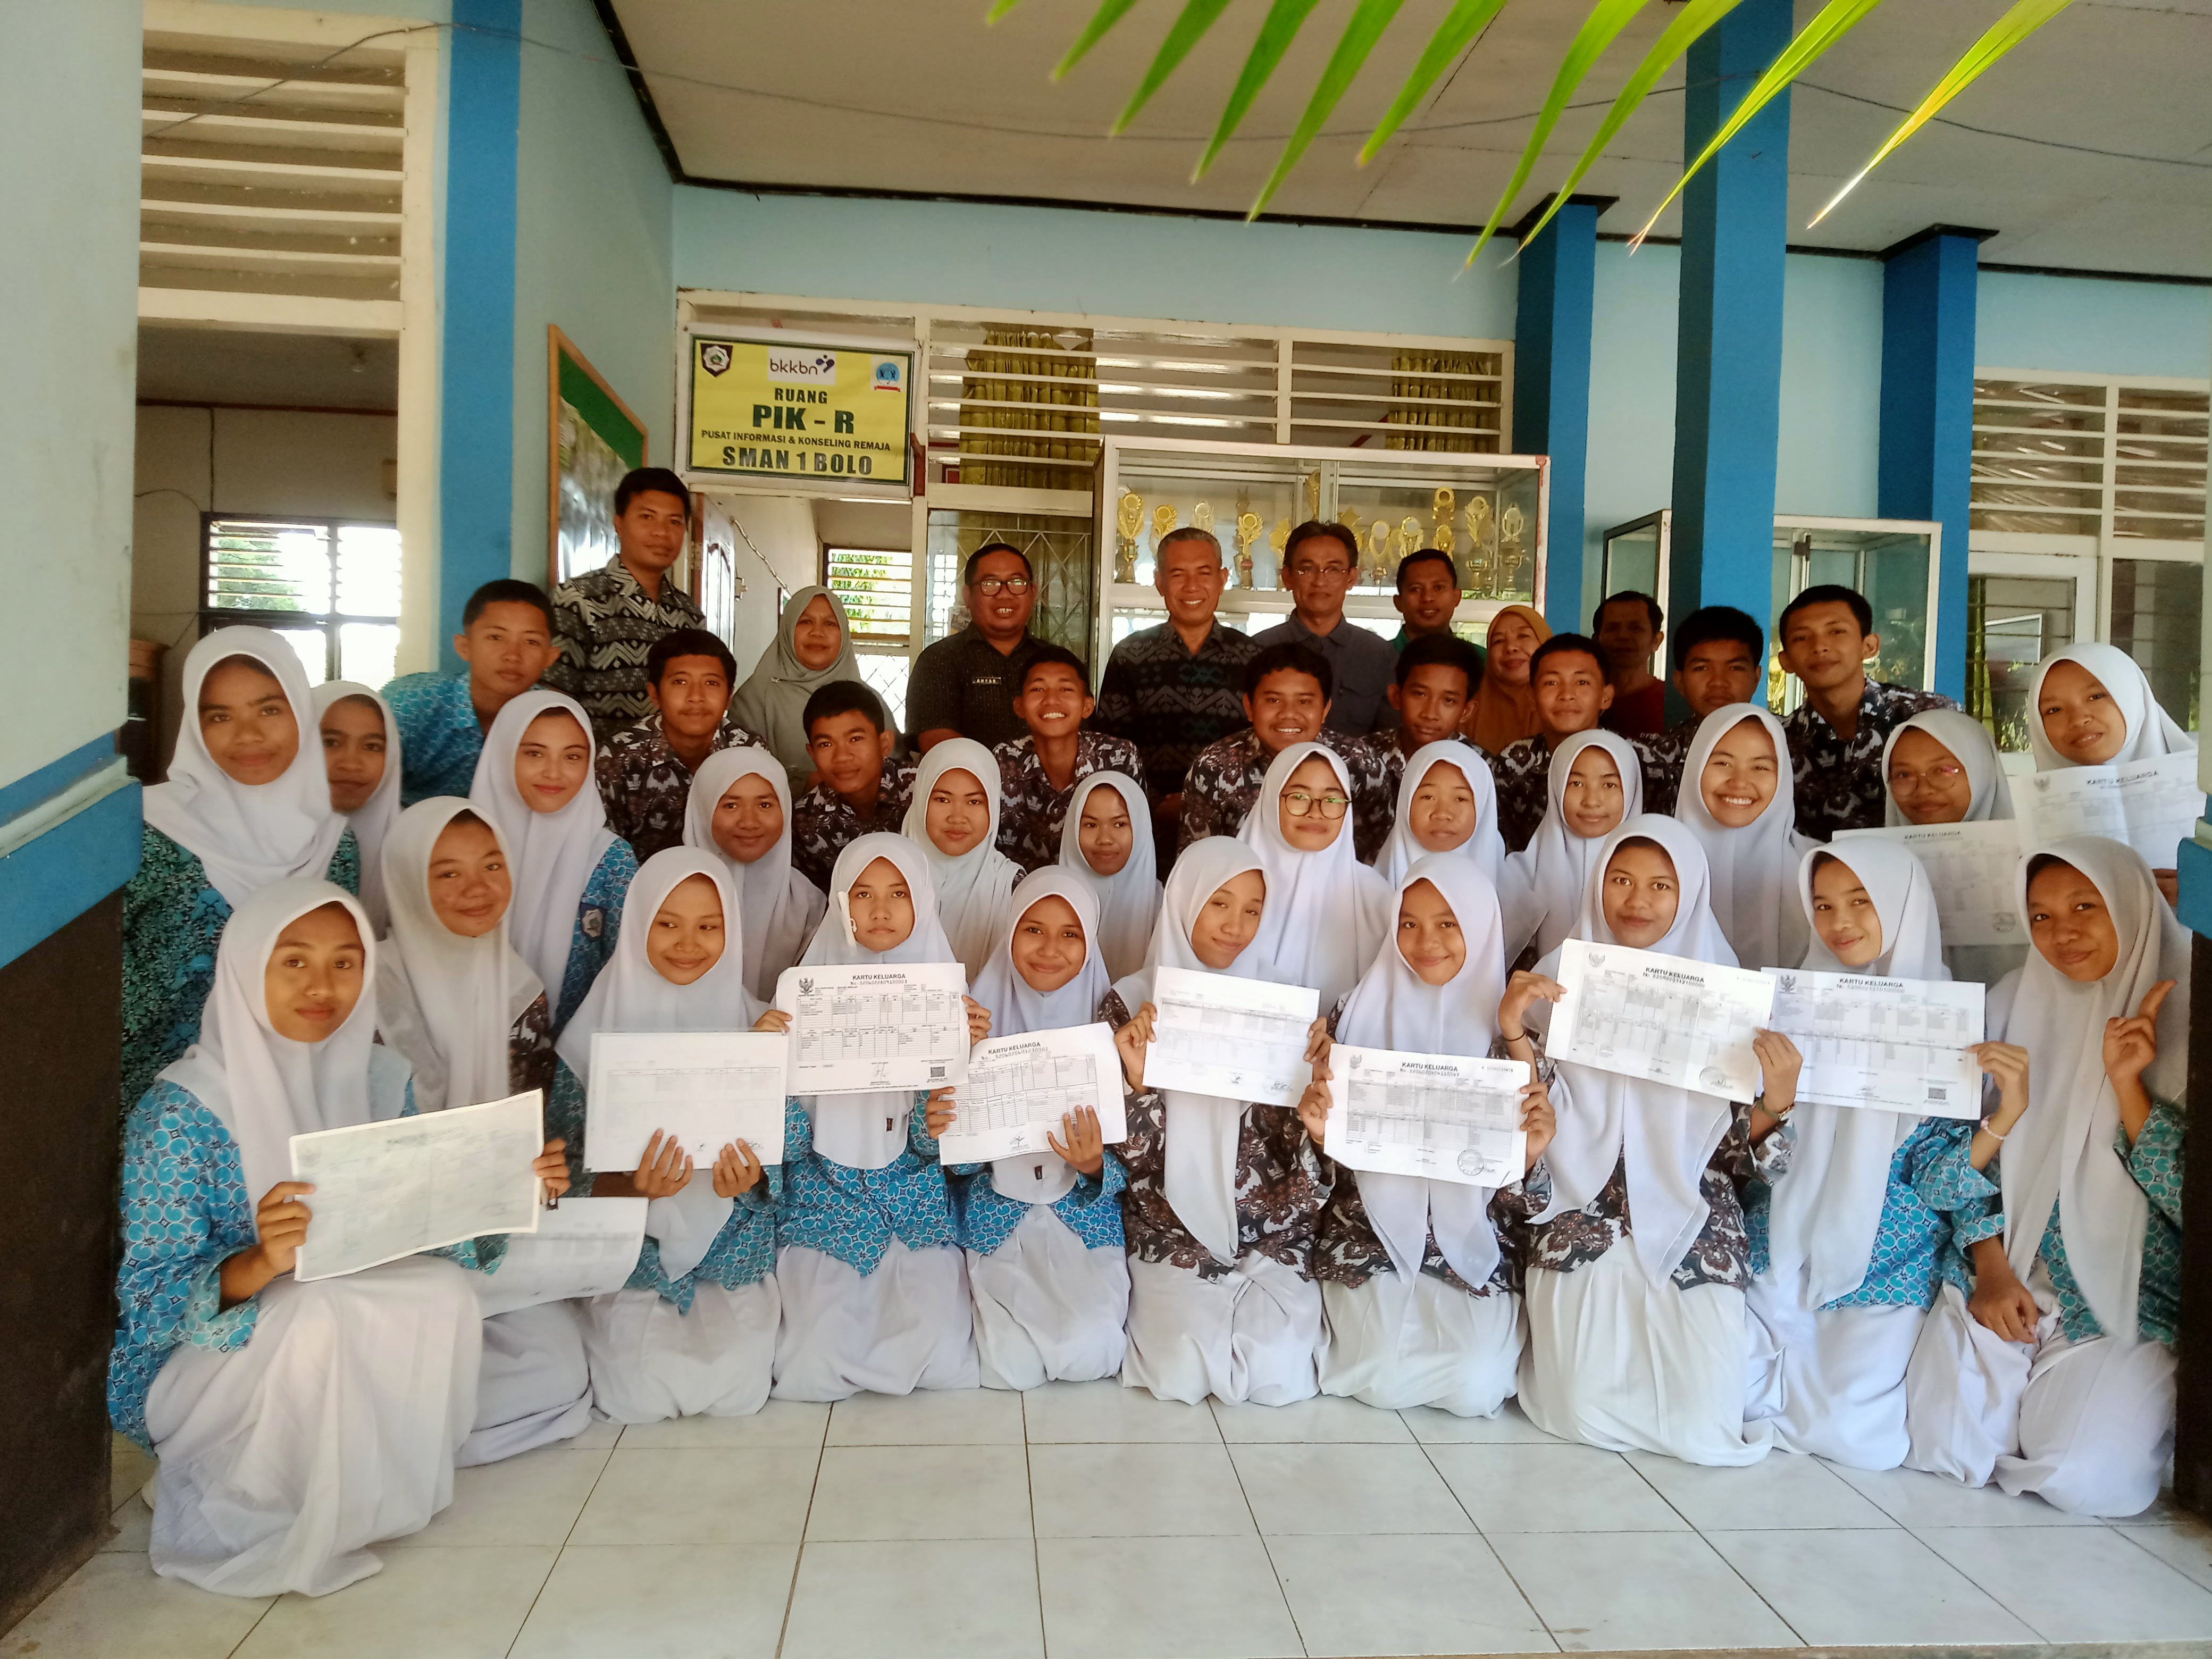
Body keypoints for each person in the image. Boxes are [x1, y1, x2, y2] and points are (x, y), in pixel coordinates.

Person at [110, 880, 565, 1596]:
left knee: (444, 1291)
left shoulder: (379, 1080)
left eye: (345, 963)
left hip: (325, 1306)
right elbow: (148, 1302)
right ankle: (258, 1492)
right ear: (246, 968)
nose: (322, 986)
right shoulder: (181, 1113)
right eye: (294, 962)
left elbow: (423, 1218)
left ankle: (371, 1499)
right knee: (315, 1310)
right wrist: (261, 1261)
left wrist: (510, 1184)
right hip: (199, 1363)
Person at [1904, 837, 2186, 1516]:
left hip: (2125, 1303)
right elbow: (1950, 1164)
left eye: (2085, 907)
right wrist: (1990, 1267)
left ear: (2130, 905)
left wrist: (2128, 1088)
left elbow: (2191, 1205)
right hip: (2009, 1274)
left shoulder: (2194, 1020)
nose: (2062, 933)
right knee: (1942, 1448)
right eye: (2040, 916)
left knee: (2079, 1478)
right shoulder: (2011, 1004)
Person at [1506, 818, 1798, 1464]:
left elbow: (1741, 1161)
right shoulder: (1555, 981)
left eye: (1660, 885)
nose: (1636, 900)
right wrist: (1513, 1032)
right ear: (1597, 884)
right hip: (1579, 1204)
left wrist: (1775, 1101)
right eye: (1620, 880)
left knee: (1702, 1420)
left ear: (1688, 893)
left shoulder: (1727, 992)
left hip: (1693, 1206)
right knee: (1575, 1406)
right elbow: (1525, 1119)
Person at [1742, 842, 2009, 1471]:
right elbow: (1755, 1168)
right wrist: (1777, 1102)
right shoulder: (1788, 1009)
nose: (1839, 923)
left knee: (1854, 1435)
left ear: (1903, 906)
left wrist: (2002, 1117)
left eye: (1861, 902)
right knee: (1718, 1394)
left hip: (1890, 1257)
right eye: (1822, 905)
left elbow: (1943, 1182)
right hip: (1781, 1240)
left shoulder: (1951, 1024)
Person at [376, 799, 595, 1463]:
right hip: (396, 1245)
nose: (477, 888)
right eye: (447, 873)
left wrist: (543, 1171)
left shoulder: (519, 987)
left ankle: (406, 1425)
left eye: (492, 866)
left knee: (562, 1370)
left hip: (494, 1236)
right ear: (407, 880)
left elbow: (529, 1129)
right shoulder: (368, 990)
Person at [1309, 857, 1556, 1415]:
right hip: (1367, 1236)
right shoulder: (1352, 1016)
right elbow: (1323, 1171)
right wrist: (1321, 1134)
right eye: (1409, 923)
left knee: (1476, 1381)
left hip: (1475, 1243)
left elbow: (1527, 1202)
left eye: (1449, 924)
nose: (1426, 942)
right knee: (1379, 1370)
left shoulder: (1510, 1034)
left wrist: (1529, 1155)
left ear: (1481, 927)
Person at [559, 849, 796, 1422]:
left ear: (731, 932)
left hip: (731, 1246)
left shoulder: (757, 1025)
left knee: (736, 1384)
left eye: (709, 927)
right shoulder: (586, 1038)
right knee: (636, 1392)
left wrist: (752, 1180)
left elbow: (791, 1150)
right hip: (630, 1254)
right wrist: (630, 1188)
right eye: (667, 924)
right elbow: (561, 1178)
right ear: (637, 923)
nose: (688, 944)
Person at [1109, 839, 1334, 1405]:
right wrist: (1137, 1083)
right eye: (1219, 904)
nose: (1236, 926)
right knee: (1179, 1367)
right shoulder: (1130, 1004)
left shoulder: (1286, 1006)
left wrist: (1315, 1092)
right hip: (1168, 1223)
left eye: (1253, 910)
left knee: (1280, 1371)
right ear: (1184, 902)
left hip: (1270, 1227)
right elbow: (1127, 1163)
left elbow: (1296, 1152)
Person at [770, 835, 993, 1400]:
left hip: (913, 1204)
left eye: (898, 893)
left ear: (923, 901)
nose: (880, 909)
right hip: (823, 1201)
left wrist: (959, 1069)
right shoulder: (800, 999)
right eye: (862, 893)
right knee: (814, 1354)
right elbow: (790, 1145)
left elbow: (950, 1150)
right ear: (840, 904)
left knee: (939, 1351)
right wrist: (766, 1065)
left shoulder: (950, 1002)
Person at [124, 627, 357, 1113]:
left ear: (301, 711)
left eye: (269, 710)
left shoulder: (336, 845)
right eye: (220, 716)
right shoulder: (147, 830)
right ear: (195, 727)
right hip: (155, 1107)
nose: (247, 735)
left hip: (293, 1096)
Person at [949, 869, 1131, 1388]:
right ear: (1009, 933)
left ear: (1090, 944)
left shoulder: (1113, 1033)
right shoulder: (972, 1020)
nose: (1050, 949)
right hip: (994, 1213)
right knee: (1008, 1358)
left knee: (1095, 1345)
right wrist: (961, 1062)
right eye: (1033, 929)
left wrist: (1093, 1165)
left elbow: (1140, 1152)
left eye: (1070, 934)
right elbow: (950, 1160)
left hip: (1084, 1216)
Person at [469, 688, 638, 1031]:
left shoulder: (611, 861)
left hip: (575, 1053)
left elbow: (627, 976)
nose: (554, 773)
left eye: (572, 757)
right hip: (468, 1043)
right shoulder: (460, 852)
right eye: (535, 753)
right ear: (502, 755)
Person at [1093, 525, 1261, 861]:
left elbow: (1264, 745)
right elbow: (1109, 749)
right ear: (1159, 582)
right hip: (1146, 831)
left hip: (1236, 831)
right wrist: (1156, 804)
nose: (1192, 586)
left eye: (1204, 573)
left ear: (1223, 578)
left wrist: (1210, 803)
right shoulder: (1130, 655)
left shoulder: (1253, 657)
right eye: (1178, 574)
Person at [1177, 643, 1392, 861]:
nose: (1289, 714)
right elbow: (1197, 862)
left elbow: (1378, 856)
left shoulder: (1360, 764)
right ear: (1249, 706)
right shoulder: (1214, 766)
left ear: (1325, 709)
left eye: (1304, 701)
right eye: (1274, 700)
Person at [1779, 584, 1957, 840]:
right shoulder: (1779, 741)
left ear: (1870, 646)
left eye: (1836, 631)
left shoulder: (1930, 715)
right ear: (1785, 661)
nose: (1820, 646)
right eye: (1801, 638)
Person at [546, 467, 707, 743]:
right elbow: (552, 699)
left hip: (674, 766)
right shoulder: (577, 600)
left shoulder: (689, 614)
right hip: (596, 764)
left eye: (674, 521)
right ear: (619, 524)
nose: (661, 532)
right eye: (647, 517)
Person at [1235, 743, 1393, 1009]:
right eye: (1299, 797)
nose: (1316, 812)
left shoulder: (1375, 898)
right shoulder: (1226, 884)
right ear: (1271, 798)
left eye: (1332, 800)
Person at [594, 628, 768, 864]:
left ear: (729, 697)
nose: (696, 696)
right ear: (655, 694)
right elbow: (603, 854)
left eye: (711, 683)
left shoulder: (748, 750)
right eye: (680, 681)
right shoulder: (617, 757)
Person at [384, 579, 560, 807]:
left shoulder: (551, 717)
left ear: (550, 657)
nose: (513, 655)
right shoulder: (409, 704)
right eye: (496, 637)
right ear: (464, 647)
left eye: (531, 641)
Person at [1879, 709, 2023, 985]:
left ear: (1981, 769)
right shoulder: (1869, 874)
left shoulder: (2039, 866)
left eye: (1944, 771)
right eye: (1903, 775)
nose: (1924, 788)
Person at [1677, 705, 1816, 970]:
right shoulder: (1649, 865)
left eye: (1760, 767)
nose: (1740, 782)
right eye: (1723, 763)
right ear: (1696, 767)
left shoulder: (1819, 872)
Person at [684, 747, 828, 1004]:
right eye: (731, 805)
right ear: (702, 810)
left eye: (765, 805)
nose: (749, 822)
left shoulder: (808, 904)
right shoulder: (665, 898)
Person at [993, 644, 1146, 872]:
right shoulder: (1004, 760)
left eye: (1065, 689)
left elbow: (1137, 837)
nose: (1051, 700)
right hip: (1021, 890)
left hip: (1101, 888)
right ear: (1020, 706)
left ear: (1087, 706)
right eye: (1038, 689)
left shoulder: (1119, 756)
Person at [1498, 730, 1643, 964]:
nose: (1592, 800)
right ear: (1556, 787)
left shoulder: (1655, 877)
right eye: (1576, 783)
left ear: (1631, 788)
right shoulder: (1515, 879)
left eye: (1609, 784)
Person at [1251, 521, 1399, 736]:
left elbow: (1388, 738)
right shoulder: (1255, 650)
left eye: (1333, 570)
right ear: (1287, 577)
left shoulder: (1380, 656)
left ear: (1351, 578)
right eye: (1306, 570)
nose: (1320, 581)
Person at [908, 543, 1052, 753]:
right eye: (990, 583)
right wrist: (1006, 769)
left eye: (1017, 582)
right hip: (967, 774)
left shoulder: (1056, 660)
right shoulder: (939, 659)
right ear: (967, 596)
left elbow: (1079, 736)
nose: (1004, 594)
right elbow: (936, 740)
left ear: (1033, 592)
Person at [902, 737, 1023, 981]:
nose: (957, 817)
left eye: (974, 801)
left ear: (993, 807)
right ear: (921, 800)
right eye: (943, 799)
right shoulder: (881, 876)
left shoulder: (1013, 887)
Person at [1631, 605, 1767, 816]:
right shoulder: (1655, 758)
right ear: (1680, 682)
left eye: (1735, 668)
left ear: (1757, 677)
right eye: (1702, 668)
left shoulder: (1791, 748)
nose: (1718, 682)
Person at [1488, 632, 1615, 852]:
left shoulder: (1642, 765)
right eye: (1552, 682)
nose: (1567, 695)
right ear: (1532, 697)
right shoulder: (1511, 765)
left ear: (1606, 696)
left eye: (1582, 682)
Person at [728, 585, 860, 796]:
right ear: (788, 629)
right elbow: (735, 773)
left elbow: (891, 770)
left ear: (844, 634)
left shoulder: (866, 700)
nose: (818, 633)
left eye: (830, 623)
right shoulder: (755, 698)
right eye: (805, 622)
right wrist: (807, 782)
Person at [791, 680, 917, 891]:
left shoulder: (922, 792)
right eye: (826, 744)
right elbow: (815, 900)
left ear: (885, 743)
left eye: (856, 739)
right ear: (812, 753)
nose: (842, 757)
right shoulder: (806, 821)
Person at [313, 680, 401, 933]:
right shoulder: (258, 847)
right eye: (330, 742)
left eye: (372, 747)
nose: (351, 764)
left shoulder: (416, 846)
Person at [1057, 771, 1161, 982]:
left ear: (1141, 828)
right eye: (1091, 825)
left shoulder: (1166, 909)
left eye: (1120, 824)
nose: (1105, 839)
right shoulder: (1048, 900)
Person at [2029, 642, 2195, 770]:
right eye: (2055, 710)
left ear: (2133, 699)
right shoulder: (2025, 804)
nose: (2078, 720)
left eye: (2095, 697)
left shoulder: (2203, 784)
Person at [1375, 742, 1506, 891]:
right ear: (1406, 802)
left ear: (1483, 808)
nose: (1442, 814)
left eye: (1461, 799)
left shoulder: (1516, 898)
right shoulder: (1370, 894)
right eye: (1428, 797)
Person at [1376, 632, 1486, 801]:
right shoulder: (1361, 759)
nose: (1430, 714)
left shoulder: (1482, 768)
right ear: (1396, 696)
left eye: (1449, 700)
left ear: (1467, 711)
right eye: (1420, 694)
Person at [1461, 604, 1552, 755]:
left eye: (1523, 636)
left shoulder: (1566, 704)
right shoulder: (1466, 710)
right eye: (1498, 641)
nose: (1511, 647)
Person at [1594, 591, 1667, 738]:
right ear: (1596, 640)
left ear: (1656, 641)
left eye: (1636, 628)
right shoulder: (1578, 698)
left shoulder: (1672, 702)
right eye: (1612, 628)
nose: (1623, 636)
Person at [1389, 549, 1478, 663]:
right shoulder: (1377, 661)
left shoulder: (1483, 662)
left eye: (1438, 587)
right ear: (1398, 602)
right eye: (1415, 589)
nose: (1427, 598)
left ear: (1456, 597)